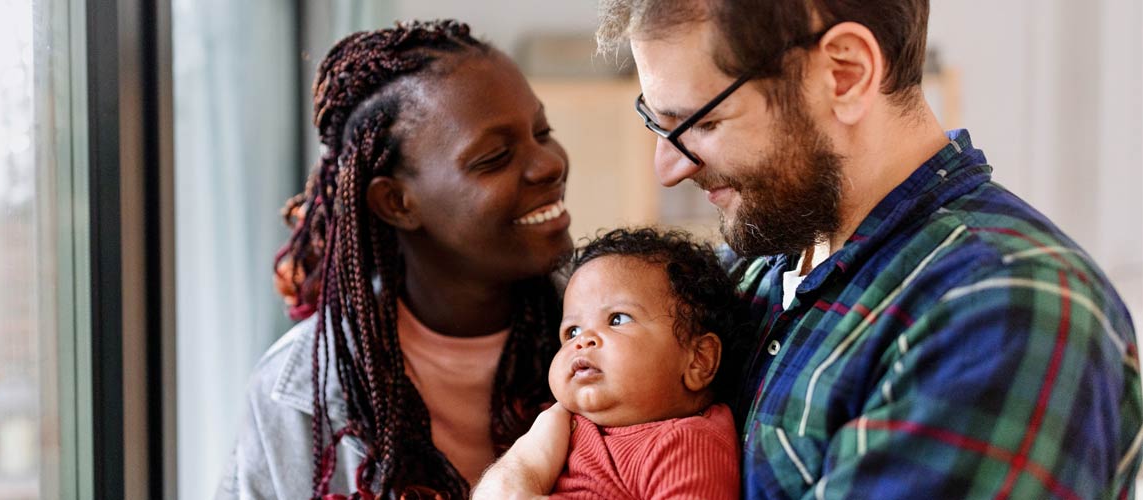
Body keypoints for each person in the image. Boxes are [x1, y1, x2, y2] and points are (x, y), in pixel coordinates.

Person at [475, 1, 1142, 499]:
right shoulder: (760, 264)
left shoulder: (1002, 309)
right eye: (659, 123)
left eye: (702, 122)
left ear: (845, 74)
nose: (668, 168)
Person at [216, 20, 575, 499]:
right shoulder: (297, 394)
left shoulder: (627, 333)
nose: (549, 163)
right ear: (397, 203)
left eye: (542, 131)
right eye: (494, 158)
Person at [546, 227, 742, 499]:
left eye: (617, 319)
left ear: (698, 360)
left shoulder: (683, 445)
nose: (583, 341)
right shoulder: (558, 423)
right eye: (572, 332)